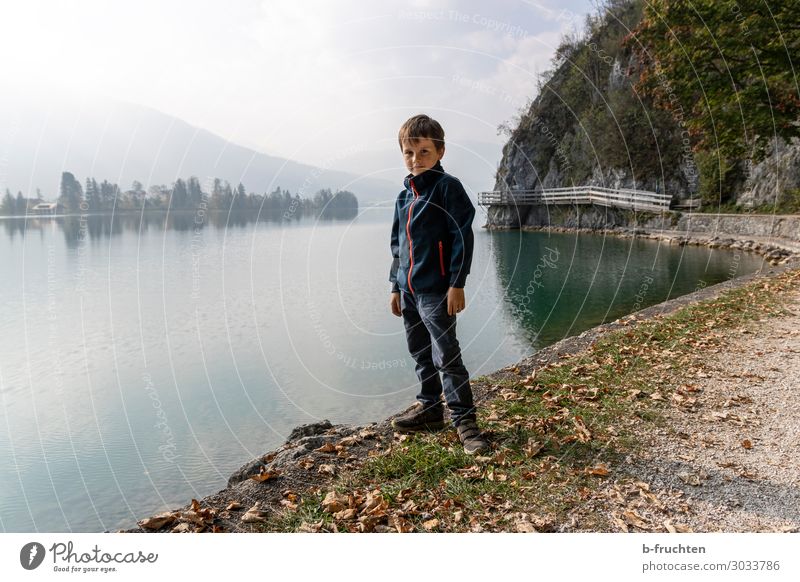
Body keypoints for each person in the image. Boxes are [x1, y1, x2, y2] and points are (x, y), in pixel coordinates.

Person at [388, 114, 489, 455]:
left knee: (446, 355)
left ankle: (466, 423)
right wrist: (394, 285)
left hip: (437, 290)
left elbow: (462, 236)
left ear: (440, 151)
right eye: (409, 153)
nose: (416, 160)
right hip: (409, 292)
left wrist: (457, 283)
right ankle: (430, 409)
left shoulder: (448, 188)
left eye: (424, 152)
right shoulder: (404, 197)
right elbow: (398, 246)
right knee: (419, 352)